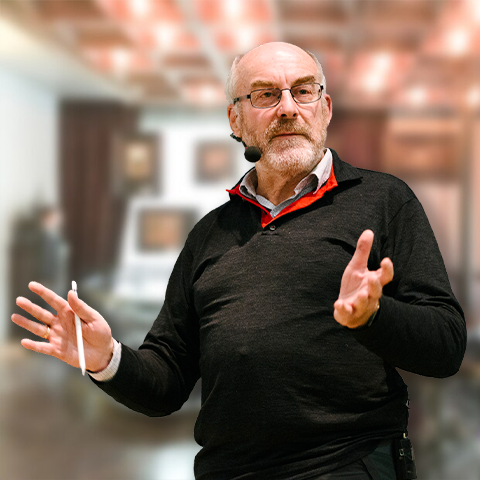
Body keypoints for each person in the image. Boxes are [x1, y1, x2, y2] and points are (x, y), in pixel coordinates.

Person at [12, 42, 466, 480]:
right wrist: (106, 358)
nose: (287, 108)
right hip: (227, 471)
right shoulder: (208, 235)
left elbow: (446, 345)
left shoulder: (384, 200)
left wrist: (373, 316)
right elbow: (166, 382)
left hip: (347, 464)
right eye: (265, 95)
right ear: (236, 119)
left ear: (325, 109)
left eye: (303, 91)